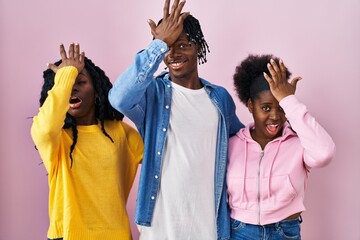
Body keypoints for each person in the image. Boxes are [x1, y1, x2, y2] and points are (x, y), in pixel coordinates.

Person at [108, 0, 244, 239]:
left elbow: (242, 144)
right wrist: (157, 45)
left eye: (183, 45)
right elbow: (119, 98)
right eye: (169, 48)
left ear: (199, 47)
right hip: (160, 228)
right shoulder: (153, 94)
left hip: (209, 228)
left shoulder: (219, 99)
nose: (174, 54)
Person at [31, 43, 143, 240]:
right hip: (66, 236)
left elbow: (161, 160)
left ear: (97, 92)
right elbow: (46, 126)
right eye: (67, 84)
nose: (72, 87)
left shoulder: (120, 132)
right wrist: (65, 76)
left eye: (80, 82)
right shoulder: (56, 138)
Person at [226, 54, 336, 239]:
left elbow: (325, 153)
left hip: (284, 231)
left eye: (281, 108)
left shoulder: (299, 143)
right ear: (251, 106)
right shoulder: (232, 144)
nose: (275, 117)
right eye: (266, 108)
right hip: (240, 232)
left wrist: (289, 101)